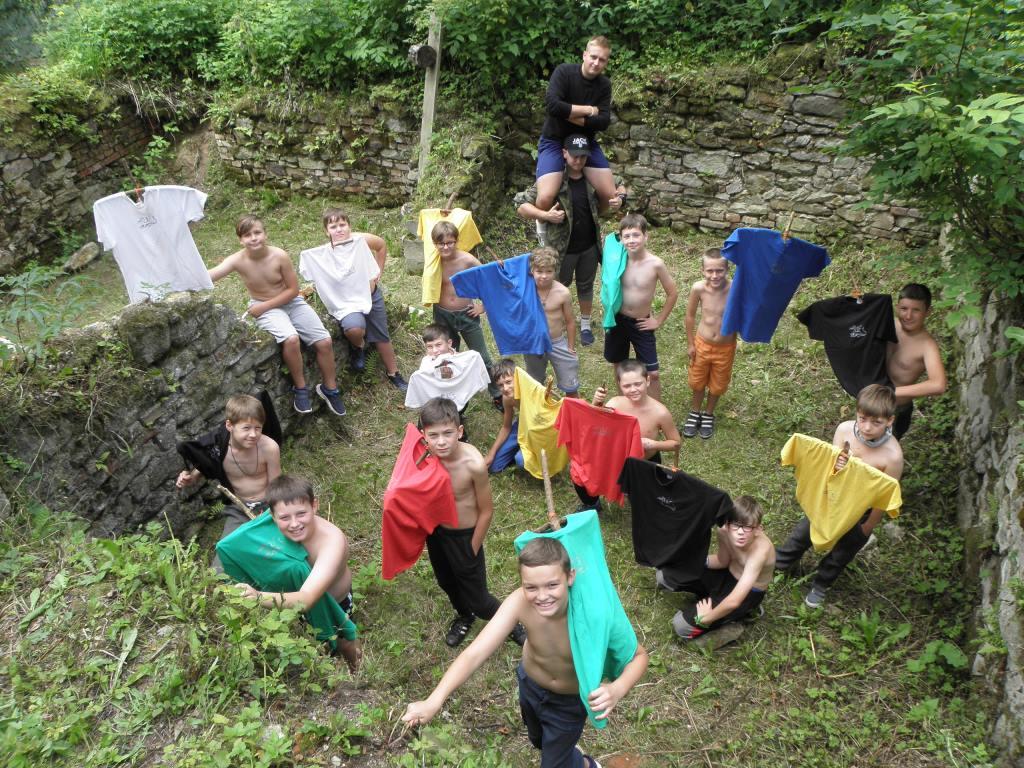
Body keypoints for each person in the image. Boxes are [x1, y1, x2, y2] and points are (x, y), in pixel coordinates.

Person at [403, 537, 649, 768]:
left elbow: (639, 657)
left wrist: (616, 689)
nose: (542, 596)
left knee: (554, 763)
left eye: (552, 585)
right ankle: (574, 759)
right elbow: (474, 653)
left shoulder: (596, 613)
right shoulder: (520, 601)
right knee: (539, 740)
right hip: (530, 687)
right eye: (531, 587)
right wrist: (434, 700)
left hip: (568, 703)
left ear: (570, 576)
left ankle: (585, 764)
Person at [775, 384, 904, 608]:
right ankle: (781, 564)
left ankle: (821, 583)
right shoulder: (845, 430)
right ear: (857, 413)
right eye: (862, 419)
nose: (867, 427)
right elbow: (830, 469)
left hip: (860, 511)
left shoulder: (892, 457)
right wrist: (839, 464)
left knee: (843, 550)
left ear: (890, 421)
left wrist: (868, 527)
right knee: (803, 532)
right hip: (832, 498)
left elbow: (884, 497)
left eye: (876, 422)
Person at [208, 215, 345, 416]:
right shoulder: (237, 260)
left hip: (290, 302)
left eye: (257, 232)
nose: (253, 238)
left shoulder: (279, 256)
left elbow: (293, 290)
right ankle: (301, 389)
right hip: (265, 306)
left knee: (324, 341)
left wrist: (263, 307)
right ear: (240, 240)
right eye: (247, 235)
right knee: (291, 339)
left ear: (265, 234)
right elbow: (210, 275)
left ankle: (330, 389)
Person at [419, 397, 525, 647]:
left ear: (460, 431)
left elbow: (486, 510)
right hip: (436, 534)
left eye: (447, 433)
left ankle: (512, 624)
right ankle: (464, 615)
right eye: (434, 435)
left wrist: (473, 546)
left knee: (480, 599)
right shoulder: (424, 457)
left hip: (464, 537)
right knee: (446, 581)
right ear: (424, 436)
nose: (441, 441)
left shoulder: (473, 464)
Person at [232, 474, 361, 670]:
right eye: (284, 517)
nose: (294, 524)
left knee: (344, 641)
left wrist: (258, 596)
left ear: (314, 506)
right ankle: (325, 665)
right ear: (272, 516)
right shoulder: (272, 523)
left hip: (335, 602)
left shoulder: (331, 543)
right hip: (297, 597)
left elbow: (307, 598)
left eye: (301, 514)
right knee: (315, 641)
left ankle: (357, 670)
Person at [515, 134, 625, 346]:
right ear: (564, 153)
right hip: (560, 249)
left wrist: (620, 198)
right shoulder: (554, 179)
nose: (579, 160)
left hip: (589, 245)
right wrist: (545, 215)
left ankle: (585, 325)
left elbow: (619, 184)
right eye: (575, 156)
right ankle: (556, 323)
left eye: (583, 156)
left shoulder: (593, 176)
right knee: (557, 286)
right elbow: (521, 205)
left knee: (585, 285)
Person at [299, 208, 408, 391]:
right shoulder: (322, 254)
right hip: (348, 303)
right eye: (333, 226)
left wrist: (377, 272)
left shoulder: (360, 240)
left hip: (371, 296)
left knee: (382, 335)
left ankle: (393, 373)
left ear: (349, 225)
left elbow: (381, 245)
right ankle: (359, 347)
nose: (339, 229)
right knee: (354, 328)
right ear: (326, 231)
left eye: (342, 224)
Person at [176, 393, 282, 561]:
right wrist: (190, 477)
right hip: (239, 507)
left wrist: (272, 513)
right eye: (246, 428)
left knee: (279, 550)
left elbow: (277, 487)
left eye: (258, 428)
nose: (253, 434)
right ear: (229, 425)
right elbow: (204, 466)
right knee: (226, 556)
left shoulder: (269, 447)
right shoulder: (218, 449)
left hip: (269, 504)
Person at [667, 496, 775, 640]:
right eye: (735, 525)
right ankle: (714, 600)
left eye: (748, 527)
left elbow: (734, 601)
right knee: (666, 574)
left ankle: (736, 618)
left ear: (758, 529)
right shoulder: (724, 531)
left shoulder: (760, 551)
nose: (740, 532)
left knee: (681, 626)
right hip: (725, 574)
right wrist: (691, 562)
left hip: (747, 593)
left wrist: (706, 618)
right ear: (728, 523)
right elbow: (721, 561)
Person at [533, 37, 617, 220]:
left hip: (585, 142)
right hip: (555, 139)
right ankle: (543, 225)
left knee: (610, 196)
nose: (596, 63)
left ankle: (589, 222)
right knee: (545, 197)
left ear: (606, 62)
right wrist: (589, 110)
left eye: (602, 60)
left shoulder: (604, 85)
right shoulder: (564, 72)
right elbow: (552, 106)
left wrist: (567, 113)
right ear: (584, 55)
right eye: (593, 57)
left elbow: (603, 122)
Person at [602, 213, 678, 401]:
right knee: (619, 366)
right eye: (626, 236)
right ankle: (624, 406)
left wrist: (658, 321)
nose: (631, 240)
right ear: (621, 240)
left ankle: (655, 411)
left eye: (636, 235)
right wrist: (608, 312)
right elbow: (608, 284)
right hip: (618, 320)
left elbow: (672, 293)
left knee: (653, 373)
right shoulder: (617, 260)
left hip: (641, 323)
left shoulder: (655, 264)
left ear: (646, 236)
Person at [429, 221, 501, 405]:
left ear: (457, 241)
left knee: (483, 357)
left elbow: (489, 281)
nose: (446, 247)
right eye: (441, 243)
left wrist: (483, 306)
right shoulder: (433, 261)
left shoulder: (467, 260)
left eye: (450, 243)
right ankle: (452, 396)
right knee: (446, 358)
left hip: (466, 315)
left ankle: (497, 394)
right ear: (434, 243)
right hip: (442, 315)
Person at [682, 247, 737, 440]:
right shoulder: (698, 288)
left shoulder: (735, 287)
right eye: (710, 271)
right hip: (702, 344)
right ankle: (695, 411)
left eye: (719, 270)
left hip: (725, 347)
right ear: (702, 270)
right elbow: (690, 316)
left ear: (727, 269)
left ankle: (708, 414)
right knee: (698, 380)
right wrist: (690, 344)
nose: (715, 275)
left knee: (718, 383)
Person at [886, 283, 947, 439]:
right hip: (871, 401)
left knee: (878, 453)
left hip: (895, 410)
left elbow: (938, 385)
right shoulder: (889, 324)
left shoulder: (927, 346)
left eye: (916, 310)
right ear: (897, 307)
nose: (908, 316)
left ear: (928, 312)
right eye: (904, 308)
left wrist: (892, 391)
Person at [592, 359, 681, 464]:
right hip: (617, 460)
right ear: (619, 384)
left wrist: (653, 444)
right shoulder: (614, 404)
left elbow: (676, 443)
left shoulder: (660, 412)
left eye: (638, 384)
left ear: (647, 381)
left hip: (646, 463)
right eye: (627, 386)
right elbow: (594, 426)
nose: (633, 389)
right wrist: (595, 403)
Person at [524, 247, 581, 397]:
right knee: (534, 383)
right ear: (532, 271)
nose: (544, 276)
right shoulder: (525, 289)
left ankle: (574, 408)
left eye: (549, 271)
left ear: (555, 271)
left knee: (570, 382)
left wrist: (570, 346)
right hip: (534, 342)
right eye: (539, 271)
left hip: (557, 341)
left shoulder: (563, 293)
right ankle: (536, 408)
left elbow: (570, 321)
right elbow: (503, 286)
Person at [483, 359, 523, 473]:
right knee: (494, 466)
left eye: (508, 382)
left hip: (536, 428)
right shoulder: (507, 398)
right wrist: (491, 454)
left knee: (521, 461)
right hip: (522, 425)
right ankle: (518, 446)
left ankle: (521, 451)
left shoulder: (530, 391)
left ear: (517, 378)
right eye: (500, 385)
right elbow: (506, 427)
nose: (505, 388)